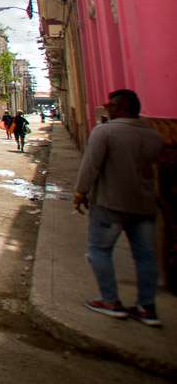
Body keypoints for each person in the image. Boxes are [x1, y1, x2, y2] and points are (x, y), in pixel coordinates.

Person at [73, 89, 163, 327]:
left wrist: (81, 192)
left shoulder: (105, 132)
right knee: (146, 256)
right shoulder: (153, 135)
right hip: (144, 205)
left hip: (110, 203)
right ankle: (147, 307)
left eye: (111, 105)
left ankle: (110, 301)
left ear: (122, 107)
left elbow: (91, 165)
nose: (107, 108)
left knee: (98, 251)